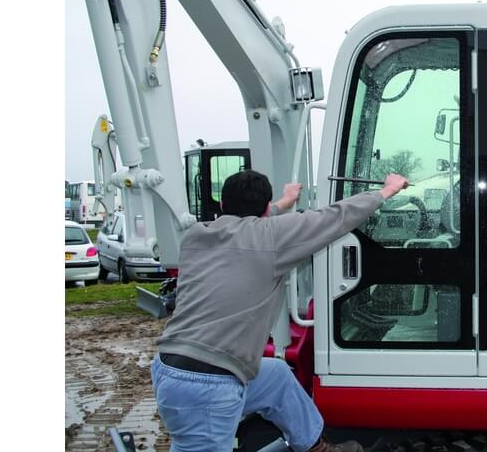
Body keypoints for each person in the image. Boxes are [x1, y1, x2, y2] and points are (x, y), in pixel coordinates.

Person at [151, 170, 408, 452]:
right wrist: (386, 191)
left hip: (170, 369)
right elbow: (334, 217)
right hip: (210, 382)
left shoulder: (196, 236)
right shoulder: (270, 239)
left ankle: (313, 446)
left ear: (223, 206)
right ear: (264, 208)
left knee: (275, 376)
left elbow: (251, 224)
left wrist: (284, 203)